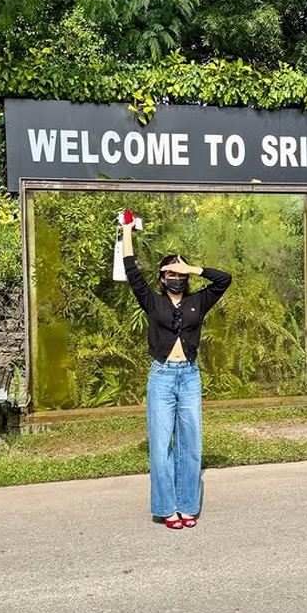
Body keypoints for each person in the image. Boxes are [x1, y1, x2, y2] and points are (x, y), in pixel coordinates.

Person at [121, 218, 232, 529]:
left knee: (190, 442)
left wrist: (192, 268)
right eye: (170, 273)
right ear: (161, 277)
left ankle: (186, 506)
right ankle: (165, 507)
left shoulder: (199, 301)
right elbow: (132, 272)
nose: (175, 278)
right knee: (160, 445)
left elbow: (224, 279)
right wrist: (127, 232)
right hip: (162, 377)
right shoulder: (152, 301)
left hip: (190, 377)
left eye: (179, 274)